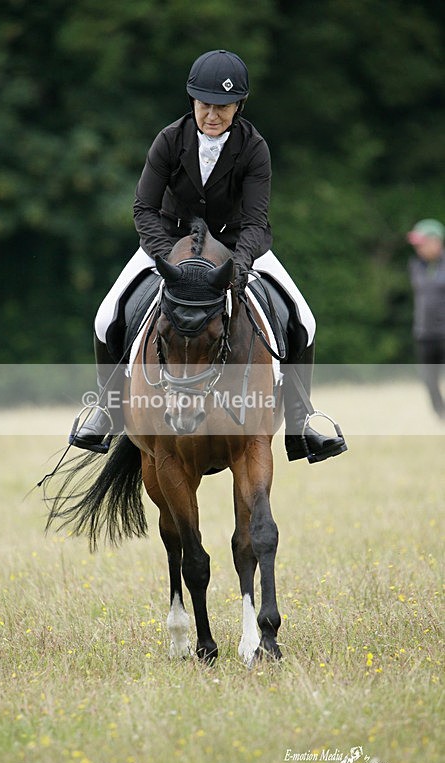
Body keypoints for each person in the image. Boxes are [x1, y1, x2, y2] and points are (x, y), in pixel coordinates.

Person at [71, 49, 347, 463]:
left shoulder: (254, 148)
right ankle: (108, 413)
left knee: (303, 320)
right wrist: (171, 262)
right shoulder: (168, 140)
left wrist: (238, 265)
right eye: (204, 105)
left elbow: (255, 221)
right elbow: (144, 208)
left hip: (238, 248)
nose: (212, 115)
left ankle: (300, 419)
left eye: (222, 107)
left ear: (238, 106)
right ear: (192, 101)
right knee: (106, 315)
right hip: (169, 244)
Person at [406, 218, 445, 418]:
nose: (418, 248)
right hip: (424, 333)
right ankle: (441, 417)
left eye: (422, 243)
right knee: (428, 380)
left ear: (436, 241)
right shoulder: (415, 265)